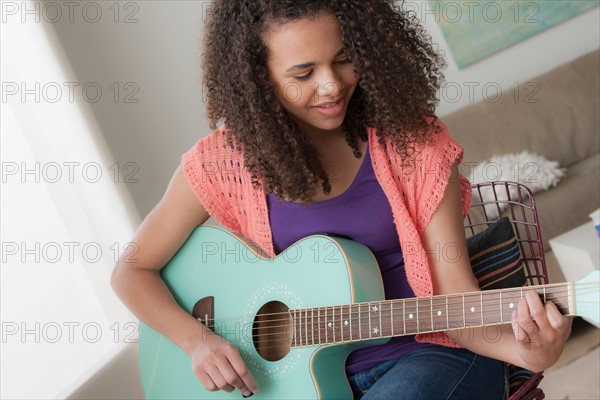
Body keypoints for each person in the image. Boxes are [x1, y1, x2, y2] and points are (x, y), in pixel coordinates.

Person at [111, 1, 572, 399]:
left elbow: (458, 302)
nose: (332, 86)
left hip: (432, 356)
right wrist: (196, 341)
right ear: (258, 78)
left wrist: (526, 350)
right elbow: (132, 271)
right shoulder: (222, 164)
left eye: (344, 59)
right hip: (297, 384)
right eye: (303, 73)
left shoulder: (414, 146)